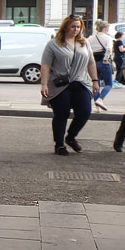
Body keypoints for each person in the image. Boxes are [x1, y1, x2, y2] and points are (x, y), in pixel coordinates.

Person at [41, 16, 98, 155]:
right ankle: (59, 145)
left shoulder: (84, 43)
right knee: (62, 114)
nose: (76, 29)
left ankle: (71, 137)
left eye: (78, 27)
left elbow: (91, 62)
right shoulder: (53, 44)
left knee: (85, 111)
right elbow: (45, 65)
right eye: (73, 26)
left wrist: (95, 80)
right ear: (66, 27)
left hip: (80, 82)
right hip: (61, 84)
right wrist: (44, 84)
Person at [87, 20, 113, 110]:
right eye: (108, 29)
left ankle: (97, 106)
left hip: (93, 63)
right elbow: (109, 49)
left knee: (95, 83)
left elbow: (86, 49)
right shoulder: (108, 38)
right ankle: (100, 99)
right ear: (105, 29)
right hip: (103, 62)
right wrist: (106, 59)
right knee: (109, 83)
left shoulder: (90, 38)